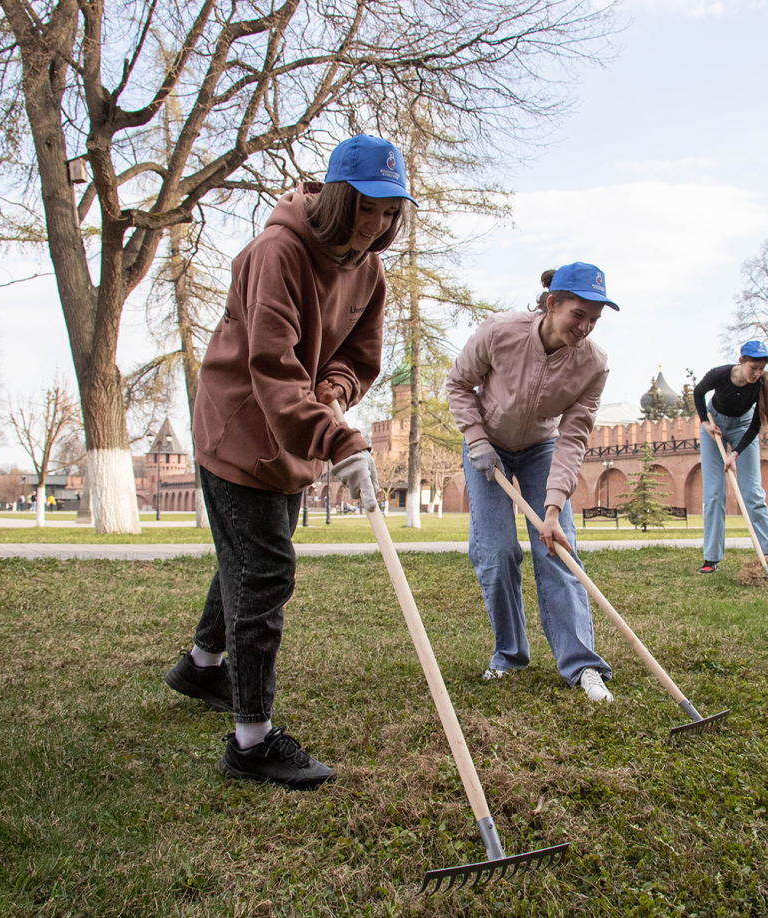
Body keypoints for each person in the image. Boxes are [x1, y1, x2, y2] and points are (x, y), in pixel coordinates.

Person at [162, 134, 415, 790]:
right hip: (239, 427)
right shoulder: (275, 253)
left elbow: (358, 356)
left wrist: (333, 393)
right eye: (367, 209)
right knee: (266, 570)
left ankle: (201, 666)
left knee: (249, 561)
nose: (378, 226)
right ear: (337, 198)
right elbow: (271, 366)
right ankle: (250, 742)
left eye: (391, 213)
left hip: (295, 428)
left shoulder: (370, 272)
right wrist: (335, 438)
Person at [446, 264, 617, 703]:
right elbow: (459, 382)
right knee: (497, 551)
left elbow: (574, 435)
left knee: (557, 549)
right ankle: (509, 654)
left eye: (594, 319)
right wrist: (476, 437)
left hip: (543, 448)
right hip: (488, 446)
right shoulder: (500, 332)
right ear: (551, 303)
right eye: (578, 314)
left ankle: (582, 667)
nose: (585, 327)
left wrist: (554, 508)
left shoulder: (593, 364)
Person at [694, 340, 768, 574]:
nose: (757, 373)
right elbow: (698, 392)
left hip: (744, 427)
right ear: (741, 361)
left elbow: (755, 427)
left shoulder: (762, 385)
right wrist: (705, 422)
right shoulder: (720, 374)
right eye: (753, 367)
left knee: (753, 492)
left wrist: (735, 454)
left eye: (761, 368)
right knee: (714, 494)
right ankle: (711, 558)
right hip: (714, 426)